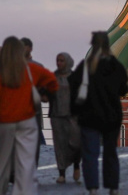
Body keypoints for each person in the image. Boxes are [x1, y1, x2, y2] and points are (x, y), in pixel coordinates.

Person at [0, 36, 57, 195]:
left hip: (5, 120)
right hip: (27, 119)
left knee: (3, 160)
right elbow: (52, 80)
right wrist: (46, 95)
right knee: (26, 161)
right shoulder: (31, 69)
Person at [69, 32, 128, 195]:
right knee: (110, 153)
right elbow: (124, 89)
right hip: (112, 117)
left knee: (90, 154)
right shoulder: (115, 66)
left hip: (89, 117)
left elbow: (72, 87)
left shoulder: (85, 66)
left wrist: (74, 111)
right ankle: (113, 187)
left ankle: (93, 188)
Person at [49, 53, 81, 184]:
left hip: (72, 115)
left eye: (62, 61)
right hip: (57, 115)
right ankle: (61, 173)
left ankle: (76, 165)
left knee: (76, 142)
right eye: (57, 60)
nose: (59, 63)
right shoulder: (52, 77)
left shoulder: (75, 78)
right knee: (60, 145)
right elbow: (46, 93)